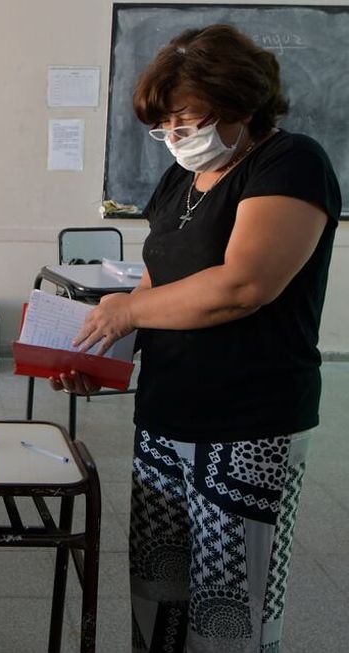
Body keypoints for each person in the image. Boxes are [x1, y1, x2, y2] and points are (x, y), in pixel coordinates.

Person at [52, 25, 341, 652]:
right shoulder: (179, 181)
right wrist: (102, 362)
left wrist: (126, 314)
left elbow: (244, 285)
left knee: (227, 611)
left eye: (188, 118)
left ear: (239, 103)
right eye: (165, 125)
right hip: (166, 414)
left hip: (248, 423)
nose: (176, 136)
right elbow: (157, 286)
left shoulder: (290, 163)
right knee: (162, 599)